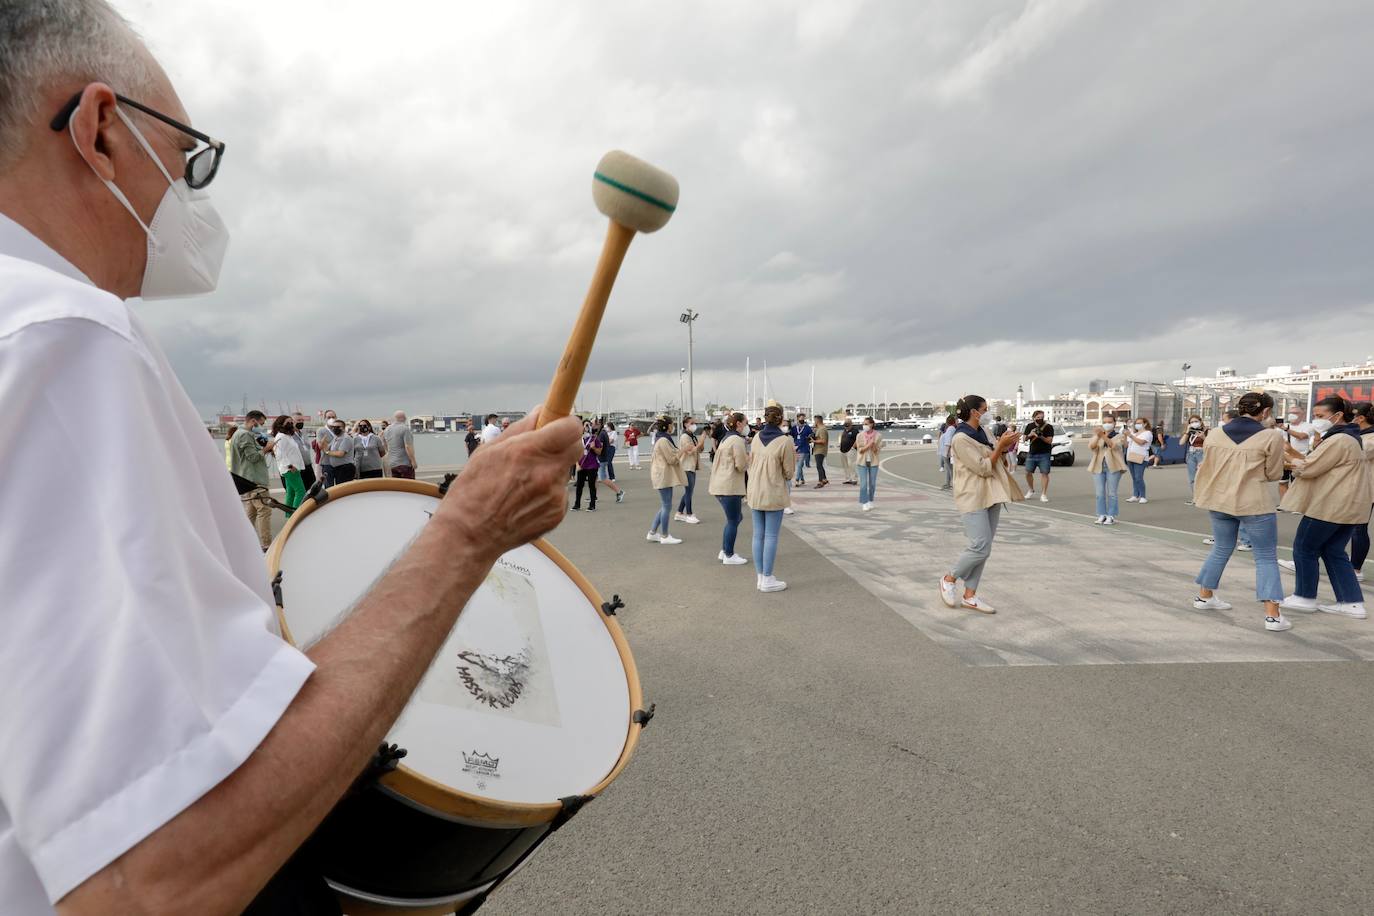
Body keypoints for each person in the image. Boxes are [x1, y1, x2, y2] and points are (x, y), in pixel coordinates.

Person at [0, 10, 584, 907]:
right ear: (101, 131)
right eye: (192, 157)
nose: (196, 195)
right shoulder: (61, 335)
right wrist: (469, 528)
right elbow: (146, 882)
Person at [1189, 392, 1289, 631]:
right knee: (1265, 556)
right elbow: (1274, 474)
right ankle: (1272, 615)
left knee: (1221, 548)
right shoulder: (1271, 436)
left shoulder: (1214, 433)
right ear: (1264, 412)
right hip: (1253, 502)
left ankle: (1205, 596)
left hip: (1219, 500)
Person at [1279, 395, 1366, 619]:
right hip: (1349, 505)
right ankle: (1351, 602)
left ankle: (1305, 596)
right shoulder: (1351, 437)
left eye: (1320, 416)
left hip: (1330, 504)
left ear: (1337, 416)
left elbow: (1310, 467)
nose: (1316, 420)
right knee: (1334, 551)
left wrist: (1287, 462)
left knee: (1305, 547)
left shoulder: (1338, 440)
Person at [940, 395, 1022, 613]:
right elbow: (983, 467)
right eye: (984, 409)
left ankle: (970, 595)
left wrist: (1006, 445)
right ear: (973, 411)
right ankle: (949, 578)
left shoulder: (984, 431)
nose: (986, 412)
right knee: (979, 546)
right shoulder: (960, 438)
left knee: (984, 548)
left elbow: (998, 457)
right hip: (972, 495)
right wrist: (1000, 447)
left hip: (991, 494)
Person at [746, 404, 795, 591]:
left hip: (755, 489)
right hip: (773, 490)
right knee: (771, 535)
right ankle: (767, 578)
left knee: (758, 534)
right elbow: (789, 472)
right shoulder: (785, 441)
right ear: (781, 419)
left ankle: (760, 576)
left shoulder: (757, 437)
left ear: (764, 418)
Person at [709, 412, 750, 565]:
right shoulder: (737, 440)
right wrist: (749, 459)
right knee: (734, 519)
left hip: (720, 484)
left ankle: (724, 550)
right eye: (745, 423)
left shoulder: (726, 438)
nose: (747, 426)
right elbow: (740, 465)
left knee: (735, 518)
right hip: (729, 486)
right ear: (739, 423)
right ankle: (729, 554)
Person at [231, 410, 274, 550]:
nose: (261, 426)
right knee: (264, 510)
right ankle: (266, 544)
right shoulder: (245, 435)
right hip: (254, 479)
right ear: (253, 421)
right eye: (261, 423)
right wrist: (267, 449)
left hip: (245, 478)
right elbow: (253, 457)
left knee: (251, 512)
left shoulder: (238, 433)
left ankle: (243, 541)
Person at [647, 416, 686, 544]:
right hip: (663, 475)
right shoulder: (663, 440)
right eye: (672, 424)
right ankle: (664, 535)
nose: (673, 426)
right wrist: (683, 451)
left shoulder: (660, 437)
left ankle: (653, 533)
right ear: (667, 426)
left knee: (665, 505)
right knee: (667, 506)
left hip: (662, 475)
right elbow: (672, 459)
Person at [1349, 402, 1374, 582]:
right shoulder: (1359, 435)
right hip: (1362, 486)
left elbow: (1359, 456)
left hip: (1367, 488)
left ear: (1361, 418)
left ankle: (1356, 568)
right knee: (1354, 527)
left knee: (1358, 528)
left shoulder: (1369, 438)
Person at [1089, 412, 1127, 525]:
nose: (1107, 424)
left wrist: (1102, 435)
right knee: (1099, 493)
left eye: (1110, 422)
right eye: (1105, 422)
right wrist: (1097, 435)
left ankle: (1111, 515)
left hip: (1113, 468)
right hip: (1098, 467)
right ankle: (1101, 514)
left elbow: (1113, 446)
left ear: (1114, 423)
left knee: (1112, 493)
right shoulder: (1099, 435)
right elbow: (1091, 446)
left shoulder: (1120, 436)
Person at [1279, 407, 1319, 507]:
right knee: (1282, 482)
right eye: (1290, 412)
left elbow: (1302, 436)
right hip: (1284, 459)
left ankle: (1296, 505)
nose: (1292, 414)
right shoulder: (1282, 426)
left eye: (1296, 413)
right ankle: (1284, 504)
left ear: (1303, 414)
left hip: (1299, 458)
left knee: (1297, 483)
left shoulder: (1308, 426)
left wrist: (1286, 429)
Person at [270, 414, 306, 518]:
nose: (291, 424)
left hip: (293, 468)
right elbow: (279, 454)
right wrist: (290, 466)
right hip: (290, 469)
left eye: (292, 422)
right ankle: (296, 515)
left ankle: (289, 516)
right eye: (288, 422)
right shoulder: (281, 437)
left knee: (291, 493)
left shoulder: (287, 436)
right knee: (300, 491)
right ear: (281, 424)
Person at [675, 415, 704, 524]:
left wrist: (701, 443)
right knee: (689, 491)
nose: (694, 425)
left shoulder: (692, 435)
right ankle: (689, 514)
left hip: (692, 466)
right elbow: (690, 451)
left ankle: (679, 513)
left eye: (694, 423)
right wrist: (701, 440)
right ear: (686, 424)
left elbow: (699, 450)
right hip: (686, 466)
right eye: (692, 423)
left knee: (689, 491)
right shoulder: (685, 437)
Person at [1021, 409, 1054, 502]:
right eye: (1038, 417)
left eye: (1042, 417)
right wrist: (1030, 434)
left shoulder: (1048, 427)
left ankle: (1043, 494)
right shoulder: (1029, 426)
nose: (1040, 419)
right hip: (1032, 453)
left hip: (1044, 453)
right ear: (1034, 418)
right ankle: (1031, 490)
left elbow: (1049, 441)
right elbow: (1024, 439)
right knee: (1028, 472)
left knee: (1045, 473)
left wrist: (1040, 436)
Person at [854, 416, 883, 511]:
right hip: (862, 462)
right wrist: (868, 445)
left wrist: (873, 445)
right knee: (863, 483)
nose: (864, 425)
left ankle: (870, 500)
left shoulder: (878, 436)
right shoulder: (859, 435)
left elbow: (877, 451)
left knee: (872, 484)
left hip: (873, 462)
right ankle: (864, 502)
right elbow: (860, 450)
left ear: (872, 424)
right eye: (864, 424)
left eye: (866, 424)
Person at [571, 422, 601, 511]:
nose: (586, 427)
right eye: (584, 425)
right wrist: (577, 465)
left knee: (591, 486)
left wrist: (594, 448)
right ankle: (577, 504)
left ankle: (592, 505)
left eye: (588, 425)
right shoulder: (578, 440)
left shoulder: (594, 439)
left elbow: (599, 452)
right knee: (579, 486)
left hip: (592, 466)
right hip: (581, 466)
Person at [1124, 417, 1152, 503]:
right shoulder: (1134, 433)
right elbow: (1126, 445)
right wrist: (1125, 436)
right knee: (1134, 478)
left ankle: (1143, 496)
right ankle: (1135, 495)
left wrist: (1130, 435)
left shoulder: (1148, 433)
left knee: (1138, 477)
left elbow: (1141, 442)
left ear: (1145, 424)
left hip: (1141, 457)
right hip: (1130, 456)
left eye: (1140, 423)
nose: (1137, 425)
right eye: (1136, 423)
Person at [596, 419, 624, 503]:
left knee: (603, 478)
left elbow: (600, 448)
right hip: (601, 458)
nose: (591, 425)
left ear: (599, 424)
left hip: (602, 458)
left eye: (593, 423)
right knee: (594, 477)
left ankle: (619, 491)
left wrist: (592, 447)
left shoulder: (602, 434)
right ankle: (593, 495)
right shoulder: (602, 433)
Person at [323, 416, 356, 484]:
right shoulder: (336, 438)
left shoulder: (346, 438)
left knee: (345, 490)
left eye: (338, 427)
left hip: (345, 468)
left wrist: (327, 452)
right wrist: (323, 440)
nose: (335, 429)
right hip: (337, 469)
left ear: (343, 428)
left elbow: (340, 453)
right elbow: (326, 447)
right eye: (333, 427)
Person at [1183, 413, 1207, 504]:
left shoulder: (1207, 430)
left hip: (1202, 454)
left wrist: (1203, 437)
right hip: (1191, 454)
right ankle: (1195, 498)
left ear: (1200, 421)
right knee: (1192, 478)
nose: (1194, 423)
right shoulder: (1190, 432)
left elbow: (1211, 443)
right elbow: (1181, 443)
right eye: (1191, 422)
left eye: (1196, 421)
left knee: (1203, 476)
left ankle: (1205, 497)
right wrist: (1187, 431)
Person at [292, 413, 317, 493]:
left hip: (308, 465)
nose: (301, 422)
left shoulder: (303, 432)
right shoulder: (289, 435)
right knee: (300, 491)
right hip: (298, 467)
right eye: (298, 420)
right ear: (292, 421)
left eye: (302, 420)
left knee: (313, 489)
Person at [315, 408, 338, 488]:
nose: (331, 419)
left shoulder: (339, 429)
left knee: (340, 487)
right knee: (329, 487)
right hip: (327, 462)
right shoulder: (321, 430)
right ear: (325, 419)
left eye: (333, 417)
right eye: (329, 417)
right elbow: (321, 447)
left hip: (339, 462)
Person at [792, 411, 813, 485]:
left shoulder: (807, 428)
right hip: (796, 448)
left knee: (800, 465)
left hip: (804, 448)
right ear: (797, 419)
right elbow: (789, 434)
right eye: (801, 419)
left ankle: (797, 480)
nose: (802, 420)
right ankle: (802, 479)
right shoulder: (794, 428)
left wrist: (810, 437)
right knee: (799, 465)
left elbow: (812, 435)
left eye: (803, 419)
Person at [838, 418, 860, 485]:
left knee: (851, 464)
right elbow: (841, 437)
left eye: (847, 425)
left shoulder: (855, 430)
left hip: (851, 450)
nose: (846, 426)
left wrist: (853, 447)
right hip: (843, 450)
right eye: (845, 425)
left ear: (851, 424)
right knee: (845, 465)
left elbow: (858, 439)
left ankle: (854, 479)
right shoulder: (844, 430)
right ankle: (848, 478)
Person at [937, 416, 957, 490]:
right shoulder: (951, 429)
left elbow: (948, 442)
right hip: (947, 452)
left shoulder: (950, 429)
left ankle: (955, 485)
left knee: (950, 470)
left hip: (946, 452)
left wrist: (946, 453)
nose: (957, 421)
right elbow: (948, 441)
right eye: (956, 420)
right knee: (949, 469)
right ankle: (948, 483)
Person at [811, 414, 829, 488]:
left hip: (820, 450)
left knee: (819, 466)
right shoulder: (819, 429)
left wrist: (814, 441)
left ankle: (820, 481)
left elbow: (823, 440)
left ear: (817, 421)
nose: (814, 422)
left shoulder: (822, 429)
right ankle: (824, 479)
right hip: (817, 449)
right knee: (820, 465)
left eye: (814, 420)